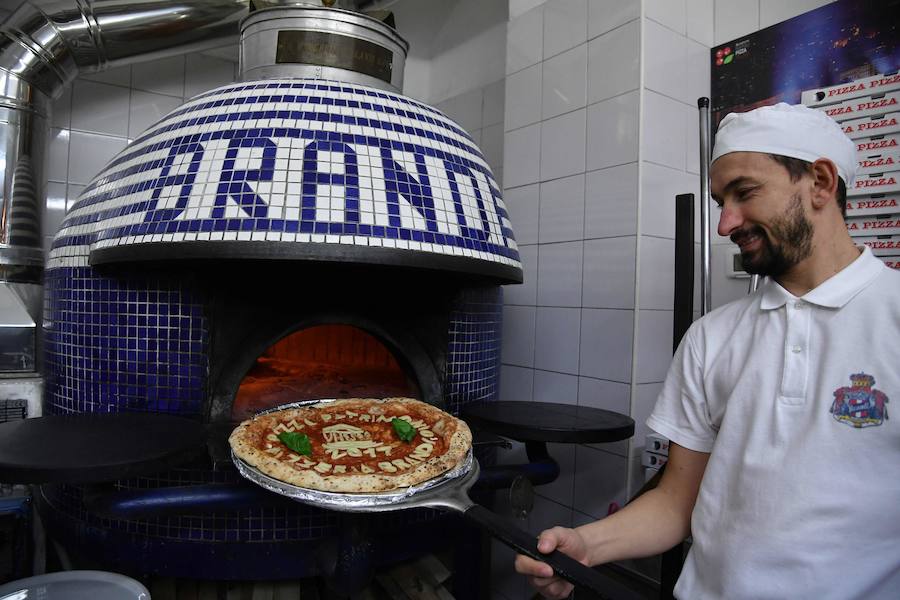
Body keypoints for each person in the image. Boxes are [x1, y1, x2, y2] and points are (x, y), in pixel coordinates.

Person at [514, 102, 900, 599]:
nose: (725, 224)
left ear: (821, 183)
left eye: (744, 193)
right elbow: (677, 501)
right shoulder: (711, 337)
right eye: (721, 201)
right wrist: (586, 545)